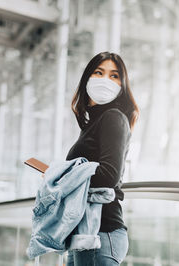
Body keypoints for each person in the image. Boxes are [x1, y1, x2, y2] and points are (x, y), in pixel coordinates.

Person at [66, 51, 139, 265]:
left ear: (122, 85)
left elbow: (108, 175)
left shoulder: (113, 117)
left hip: (101, 233)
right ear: (87, 77)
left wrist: (62, 177)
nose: (106, 80)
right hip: (85, 232)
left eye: (114, 76)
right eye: (99, 72)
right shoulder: (92, 124)